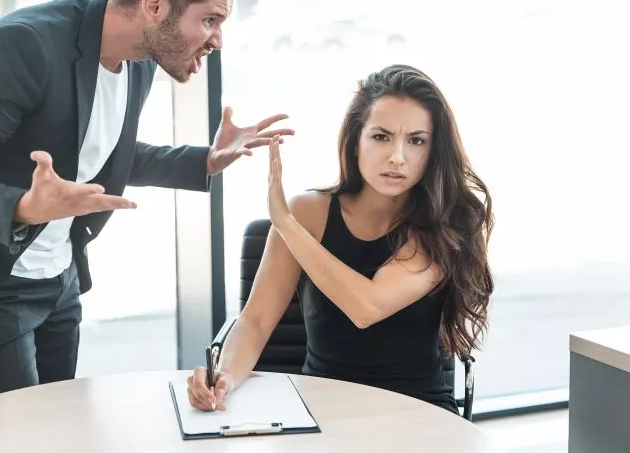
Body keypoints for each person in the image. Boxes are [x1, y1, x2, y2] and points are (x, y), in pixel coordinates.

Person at [0, 0, 294, 395]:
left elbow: (101, 152)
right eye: (209, 20)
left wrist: (203, 160)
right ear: (154, 5)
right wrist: (24, 206)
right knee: (15, 435)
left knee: (59, 428)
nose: (217, 39)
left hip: (58, 283)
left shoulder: (139, 62)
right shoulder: (24, 45)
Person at [186, 64, 494, 414]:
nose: (397, 156)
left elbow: (367, 307)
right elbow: (255, 322)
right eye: (381, 136)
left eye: (416, 141)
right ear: (355, 140)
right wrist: (223, 377)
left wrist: (286, 226)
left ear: (433, 150)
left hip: (417, 413)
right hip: (322, 411)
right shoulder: (308, 213)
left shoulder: (448, 223)